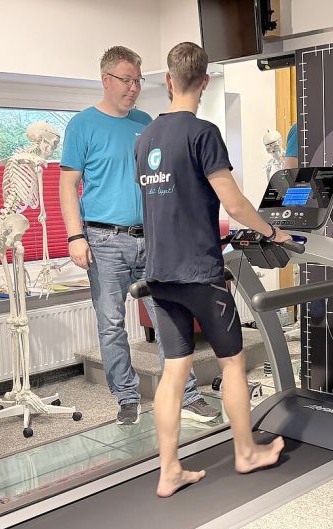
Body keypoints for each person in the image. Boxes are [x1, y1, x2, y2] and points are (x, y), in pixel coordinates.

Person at [135, 42, 291, 498]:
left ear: (168, 80)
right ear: (203, 82)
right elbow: (235, 202)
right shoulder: (203, 133)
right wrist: (272, 232)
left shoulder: (144, 140)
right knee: (233, 363)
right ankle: (245, 452)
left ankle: (168, 471)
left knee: (174, 371)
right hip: (200, 272)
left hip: (160, 274)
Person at [59, 46, 219, 425]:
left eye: (137, 80)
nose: (133, 88)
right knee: (111, 323)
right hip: (104, 240)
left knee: (171, 316)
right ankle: (127, 397)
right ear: (106, 79)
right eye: (126, 80)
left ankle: (185, 393)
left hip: (152, 238)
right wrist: (74, 237)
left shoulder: (147, 122)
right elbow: (68, 186)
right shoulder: (82, 125)